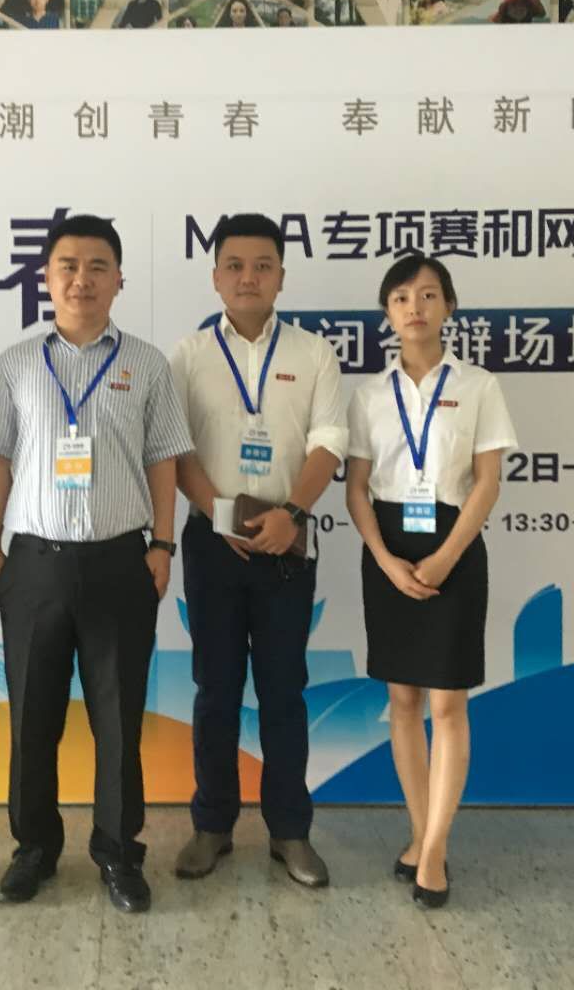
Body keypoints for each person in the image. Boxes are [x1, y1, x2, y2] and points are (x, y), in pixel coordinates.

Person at [0, 215, 193, 915]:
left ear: (119, 279)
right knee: (32, 720)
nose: (82, 279)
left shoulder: (146, 364)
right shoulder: (15, 365)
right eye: (67, 265)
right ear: (46, 278)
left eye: (98, 266)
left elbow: (164, 460)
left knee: (118, 721)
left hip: (121, 563)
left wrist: (163, 545)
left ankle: (119, 852)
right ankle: (33, 849)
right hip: (34, 564)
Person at [169, 214, 348, 890]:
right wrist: (221, 518)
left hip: (286, 542)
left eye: (263, 265)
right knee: (215, 689)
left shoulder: (314, 353)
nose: (249, 277)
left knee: (283, 691)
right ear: (216, 277)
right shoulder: (188, 355)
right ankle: (212, 825)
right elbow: (174, 448)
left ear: (281, 276)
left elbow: (329, 442)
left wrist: (291, 514)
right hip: (212, 543)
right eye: (235, 266)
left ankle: (290, 831)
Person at [345, 254, 517, 910]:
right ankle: (420, 834)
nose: (414, 307)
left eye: (427, 295)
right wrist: (386, 559)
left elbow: (488, 482)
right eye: (400, 297)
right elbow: (357, 489)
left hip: (455, 547)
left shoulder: (479, 386)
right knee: (404, 701)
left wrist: (446, 557)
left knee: (447, 706)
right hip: (388, 549)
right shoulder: (369, 394)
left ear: (448, 306)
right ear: (386, 313)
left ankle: (436, 849)